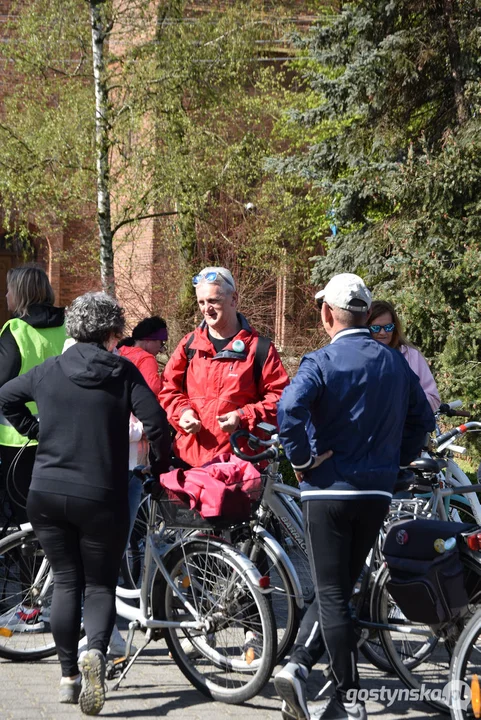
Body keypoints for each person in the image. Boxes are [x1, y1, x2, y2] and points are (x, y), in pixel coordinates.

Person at [0, 292, 171, 715]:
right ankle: (95, 651)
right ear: (112, 334)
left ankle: (67, 676)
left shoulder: (50, 370)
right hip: (101, 493)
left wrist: (38, 430)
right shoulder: (124, 372)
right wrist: (159, 467)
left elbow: (5, 396)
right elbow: (157, 423)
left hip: (46, 493)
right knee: (97, 584)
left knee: (66, 579)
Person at [274, 273, 435, 720]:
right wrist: (397, 461)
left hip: (328, 490)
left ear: (328, 313)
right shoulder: (394, 362)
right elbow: (423, 417)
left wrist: (303, 459)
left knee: (331, 594)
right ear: (366, 314)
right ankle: (302, 669)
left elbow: (288, 409)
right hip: (377, 490)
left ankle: (347, 698)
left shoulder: (322, 360)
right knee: (341, 591)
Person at [158, 266, 289, 468]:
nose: (206, 309)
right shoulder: (189, 345)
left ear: (233, 299)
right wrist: (183, 412)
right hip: (191, 464)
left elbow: (281, 398)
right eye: (201, 302)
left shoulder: (259, 348)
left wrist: (242, 416)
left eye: (213, 301)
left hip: (240, 467)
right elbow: (168, 389)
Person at [0, 265, 66, 525]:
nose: (5, 295)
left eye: (9, 289)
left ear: (20, 294)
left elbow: (3, 385)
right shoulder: (68, 327)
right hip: (63, 432)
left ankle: (26, 563)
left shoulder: (15, 330)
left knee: (22, 515)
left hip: (18, 436)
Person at [369, 299, 441, 412]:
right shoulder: (360, 358)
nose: (382, 333)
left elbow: (433, 399)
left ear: (395, 327)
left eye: (388, 327)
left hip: (406, 427)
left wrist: (403, 403)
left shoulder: (411, 355)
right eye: (376, 328)